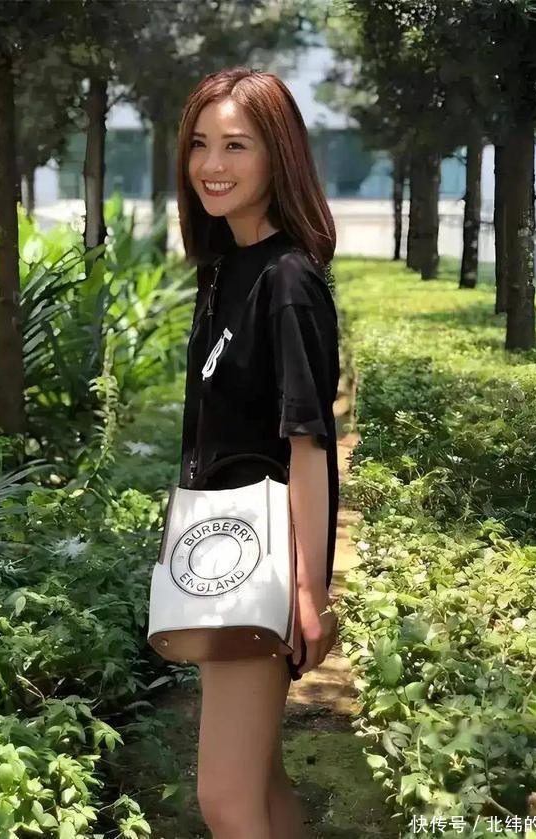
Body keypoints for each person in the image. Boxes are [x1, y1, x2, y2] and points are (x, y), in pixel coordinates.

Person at [175, 65, 340, 839]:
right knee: (261, 784)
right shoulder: (225, 269)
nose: (212, 164)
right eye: (200, 144)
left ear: (279, 154)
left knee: (225, 798)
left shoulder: (287, 280)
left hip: (259, 561)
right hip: (221, 553)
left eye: (236, 145)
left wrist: (309, 591)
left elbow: (309, 444)